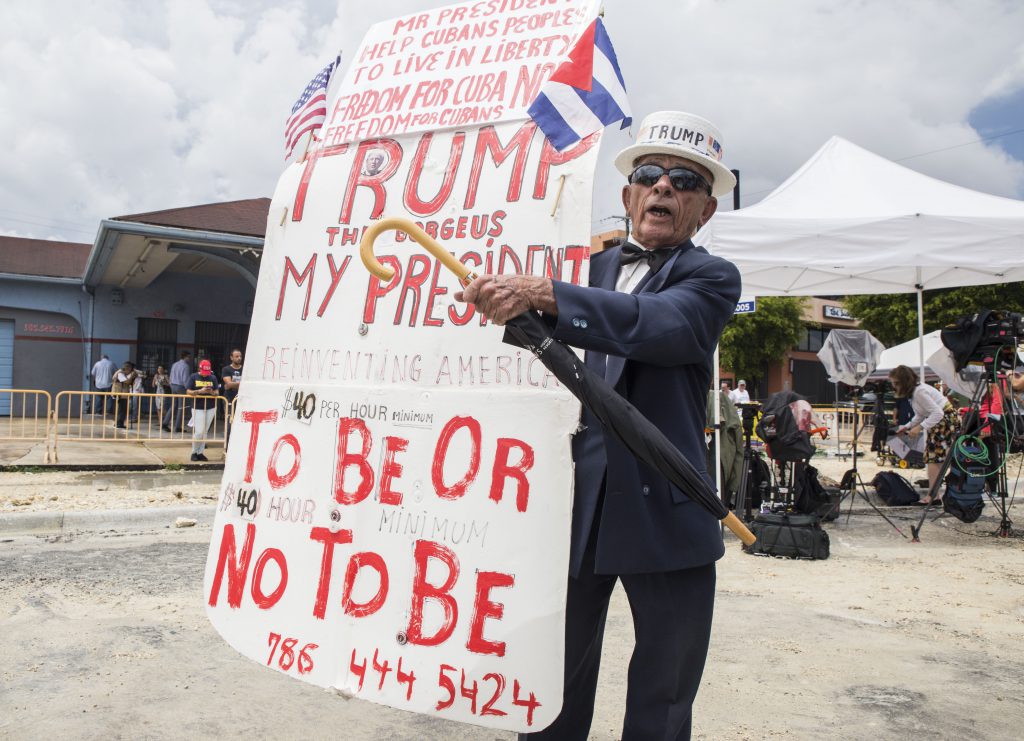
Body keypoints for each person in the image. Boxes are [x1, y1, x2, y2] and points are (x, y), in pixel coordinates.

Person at [457, 111, 740, 741]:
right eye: (649, 173)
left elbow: (659, 327)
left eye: (685, 181)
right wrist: (500, 297)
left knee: (663, 694)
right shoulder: (591, 270)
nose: (664, 187)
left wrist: (545, 294)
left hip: (670, 509)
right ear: (628, 194)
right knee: (552, 679)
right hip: (580, 509)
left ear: (705, 211)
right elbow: (543, 330)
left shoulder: (712, 277)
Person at [889, 364, 959, 503]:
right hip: (944, 420)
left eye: (896, 383)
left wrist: (920, 427)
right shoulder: (916, 391)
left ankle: (932, 496)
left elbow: (937, 413)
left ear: (903, 382)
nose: (894, 387)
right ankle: (935, 495)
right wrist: (907, 426)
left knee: (933, 459)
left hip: (944, 420)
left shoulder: (919, 392)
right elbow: (921, 414)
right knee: (936, 459)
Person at [186, 359, 222, 462]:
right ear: (199, 368)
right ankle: (194, 452)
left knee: (205, 431)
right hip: (198, 406)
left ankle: (200, 452)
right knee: (199, 431)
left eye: (207, 373)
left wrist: (211, 392)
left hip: (210, 407)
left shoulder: (213, 377)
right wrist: (199, 391)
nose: (205, 375)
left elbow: (217, 392)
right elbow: (188, 391)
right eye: (204, 372)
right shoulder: (193, 376)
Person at [162, 351, 192, 433]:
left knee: (173, 405)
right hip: (180, 387)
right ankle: (178, 426)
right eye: (189, 357)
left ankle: (165, 423)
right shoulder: (186, 366)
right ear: (185, 357)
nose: (189, 359)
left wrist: (171, 384)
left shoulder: (174, 364)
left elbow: (171, 376)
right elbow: (185, 379)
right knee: (181, 407)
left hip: (173, 385)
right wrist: (188, 388)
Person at [221, 349, 243, 442]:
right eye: (236, 356)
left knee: (241, 421)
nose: (239, 358)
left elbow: (230, 384)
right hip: (229, 399)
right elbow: (228, 383)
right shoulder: (226, 369)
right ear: (231, 357)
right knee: (230, 421)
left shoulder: (245, 369)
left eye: (240, 356)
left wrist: (233, 384)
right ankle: (227, 444)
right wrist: (242, 384)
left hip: (242, 399)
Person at [112, 361, 137, 430]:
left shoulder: (123, 373)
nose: (130, 371)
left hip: (123, 394)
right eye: (130, 369)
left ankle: (120, 423)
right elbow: (127, 381)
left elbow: (130, 383)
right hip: (120, 394)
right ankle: (119, 423)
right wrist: (132, 375)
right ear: (127, 368)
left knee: (123, 409)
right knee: (121, 409)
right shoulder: (120, 373)